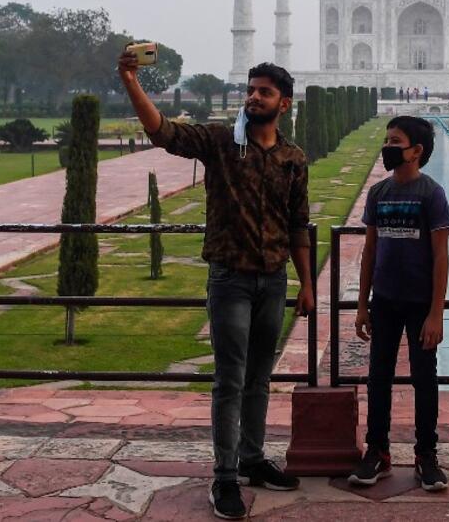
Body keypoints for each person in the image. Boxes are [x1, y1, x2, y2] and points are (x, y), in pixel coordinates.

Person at [119, 54, 314, 520]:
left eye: (264, 91)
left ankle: (252, 457)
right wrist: (130, 80)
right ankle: (225, 476)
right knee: (230, 377)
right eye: (250, 89)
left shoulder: (292, 158)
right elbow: (163, 132)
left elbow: (298, 224)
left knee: (259, 378)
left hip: (272, 278)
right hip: (230, 278)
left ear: (283, 103)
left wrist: (306, 284)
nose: (253, 97)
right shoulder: (223, 143)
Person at [349, 116, 449, 492]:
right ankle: (378, 450)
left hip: (421, 302)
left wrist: (437, 312)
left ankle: (426, 454)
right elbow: (370, 250)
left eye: (396, 141)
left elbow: (441, 255)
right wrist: (362, 304)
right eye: (387, 140)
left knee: (425, 379)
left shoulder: (431, 193)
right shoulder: (378, 193)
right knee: (379, 378)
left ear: (416, 150)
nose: (388, 147)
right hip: (386, 300)